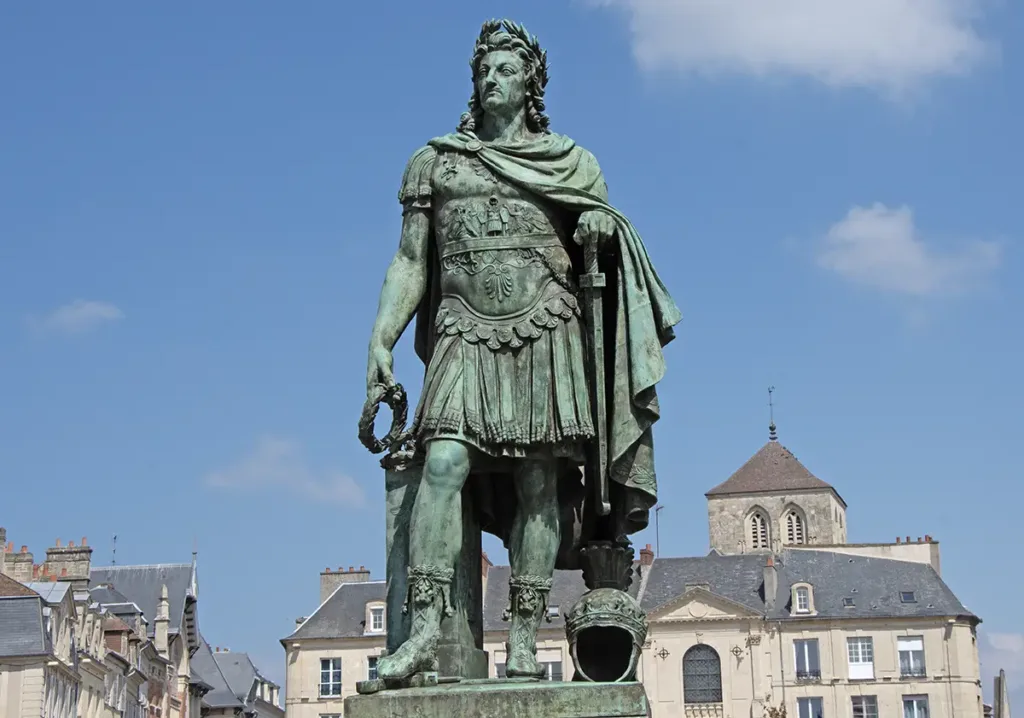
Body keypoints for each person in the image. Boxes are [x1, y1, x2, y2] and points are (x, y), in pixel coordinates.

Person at [365, 19, 680, 681]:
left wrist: (599, 225)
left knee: (540, 484)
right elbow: (410, 262)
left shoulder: (571, 163)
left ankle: (525, 639)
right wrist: (381, 340)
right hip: (461, 329)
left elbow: (606, 237)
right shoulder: (435, 162)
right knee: (442, 464)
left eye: (506, 69)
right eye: (483, 69)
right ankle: (424, 630)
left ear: (531, 83)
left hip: (545, 327)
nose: (492, 79)